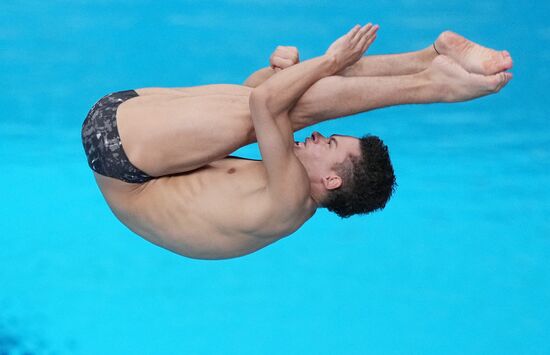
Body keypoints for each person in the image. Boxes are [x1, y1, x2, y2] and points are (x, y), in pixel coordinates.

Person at [82, 24, 513, 260]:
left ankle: (432, 84)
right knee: (277, 96)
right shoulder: (291, 185)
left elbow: (265, 106)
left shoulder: (288, 201)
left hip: (120, 154)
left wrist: (330, 61)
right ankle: (427, 60)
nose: (321, 137)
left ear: (331, 180)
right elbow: (254, 93)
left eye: (332, 144)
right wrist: (278, 71)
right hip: (133, 128)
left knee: (283, 103)